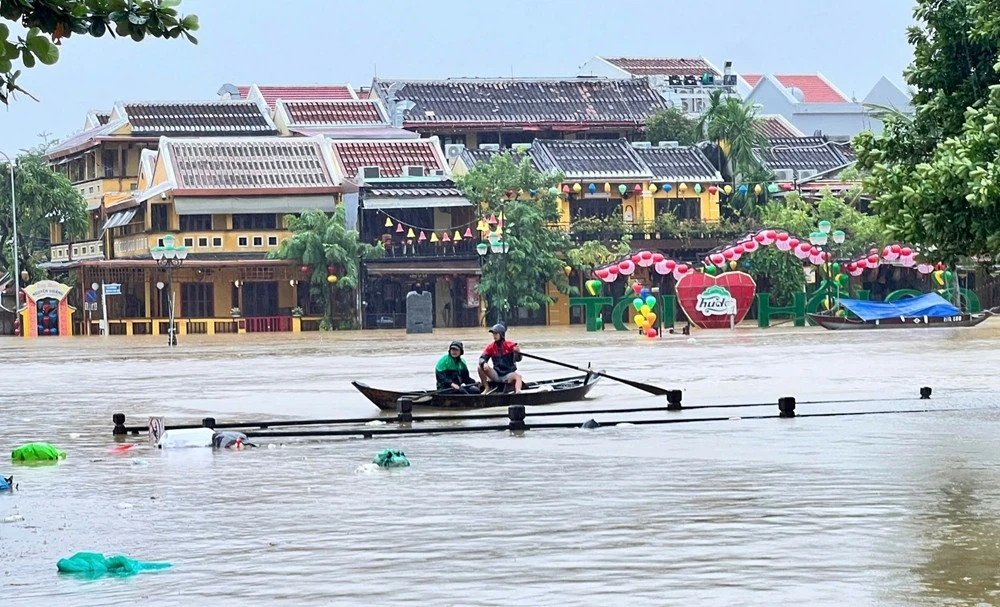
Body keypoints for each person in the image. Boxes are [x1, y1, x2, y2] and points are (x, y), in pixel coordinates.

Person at [478, 323, 523, 393]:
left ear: (501, 334)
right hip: (496, 374)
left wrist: (517, 352)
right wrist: (484, 363)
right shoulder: (491, 347)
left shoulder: (511, 345)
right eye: (493, 334)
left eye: (496, 334)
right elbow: (481, 358)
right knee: (480, 367)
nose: (494, 336)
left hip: (508, 374)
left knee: (518, 377)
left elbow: (518, 359)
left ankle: (518, 392)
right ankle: (487, 388)